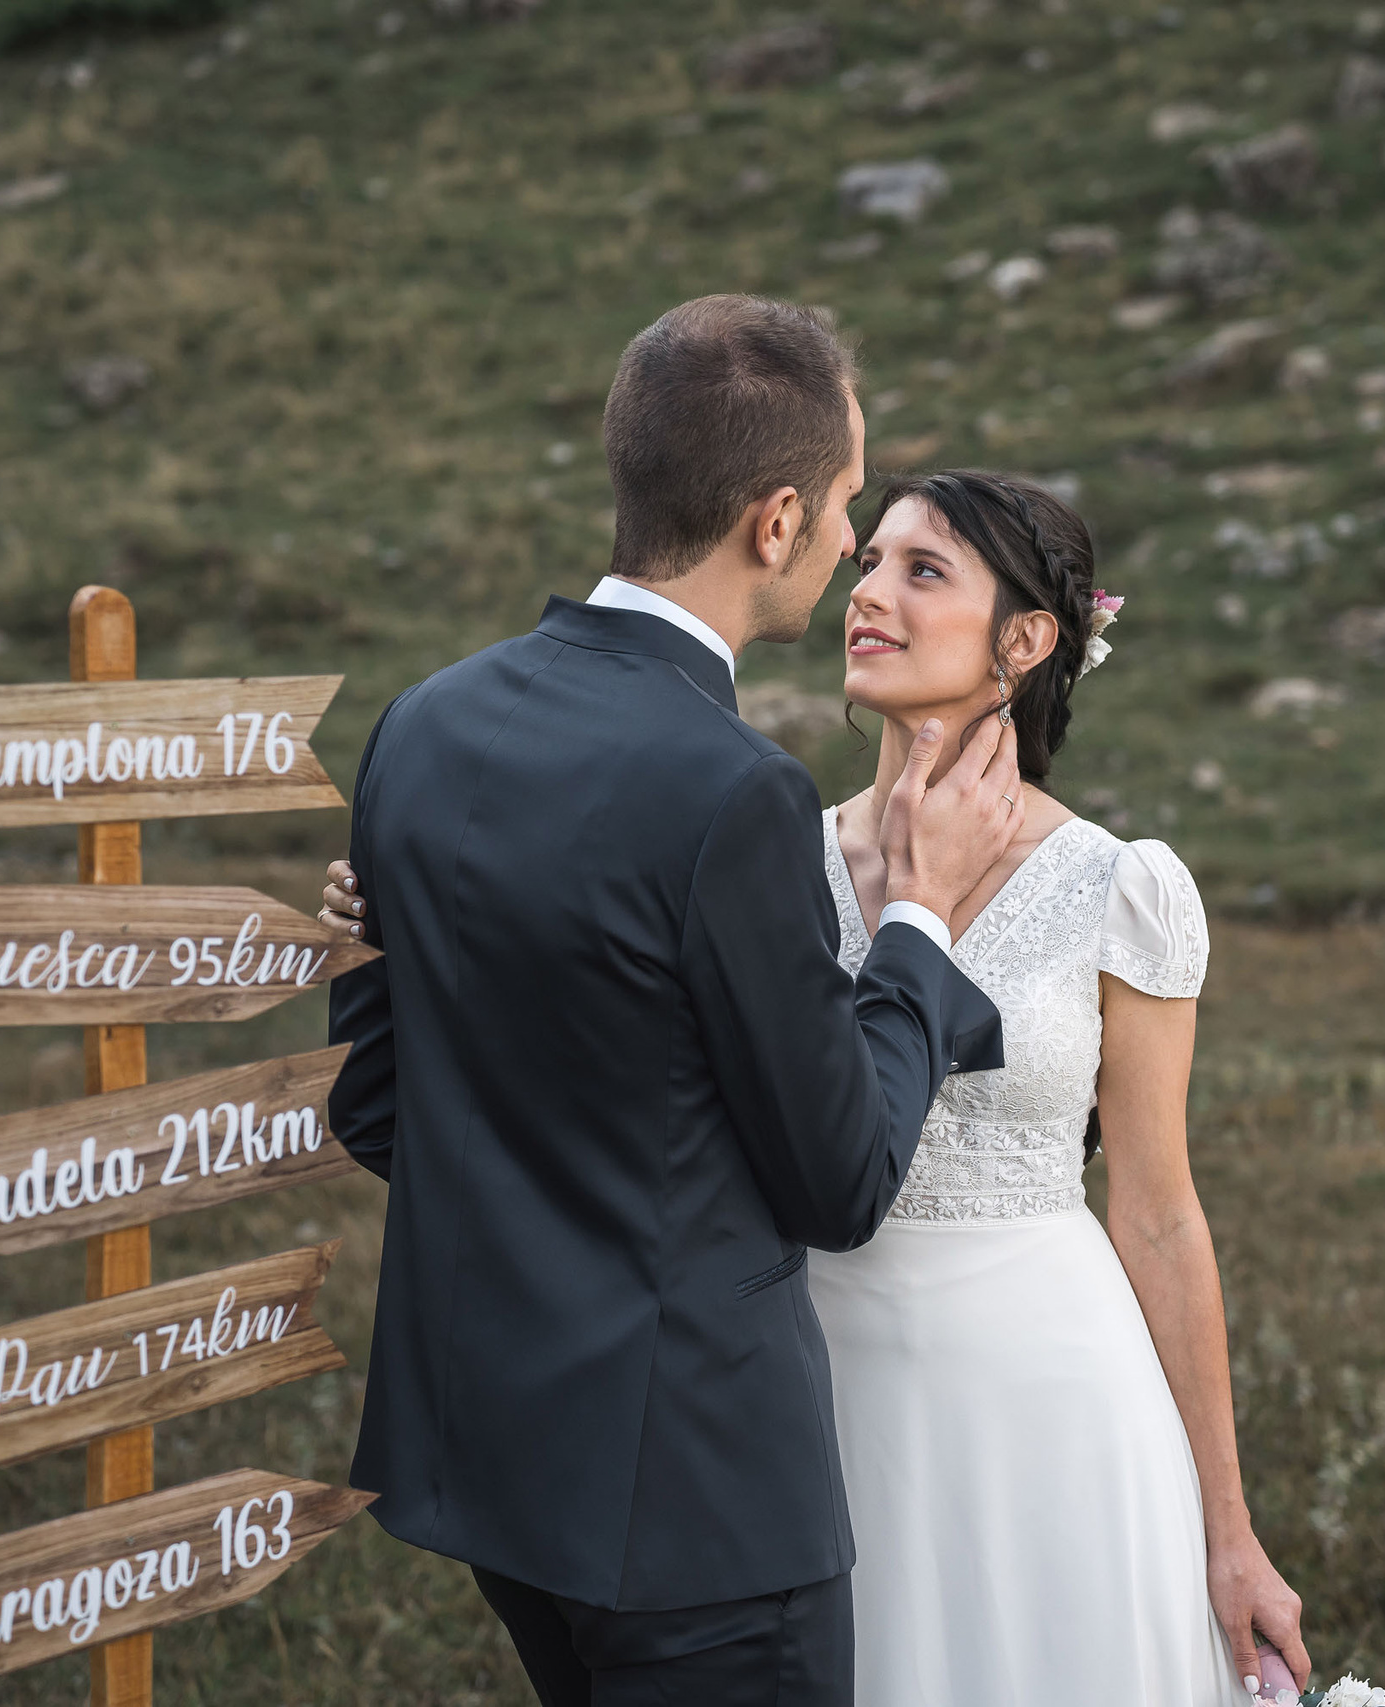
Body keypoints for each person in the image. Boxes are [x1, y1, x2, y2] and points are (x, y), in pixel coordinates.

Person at [327, 458, 1314, 1703]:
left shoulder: (1120, 884)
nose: (871, 594)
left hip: (1044, 1403)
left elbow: (1160, 1212)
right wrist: (393, 932)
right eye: (867, 562)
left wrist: (1229, 1531)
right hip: (789, 1396)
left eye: (922, 570)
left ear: (1025, 638)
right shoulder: (760, 843)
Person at [321, 295, 1027, 1707]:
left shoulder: (427, 719)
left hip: (495, 1471)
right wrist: (918, 931)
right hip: (696, 1509)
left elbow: (386, 1100)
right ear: (773, 522)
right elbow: (837, 1176)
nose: (849, 545)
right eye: (841, 507)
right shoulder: (732, 793)